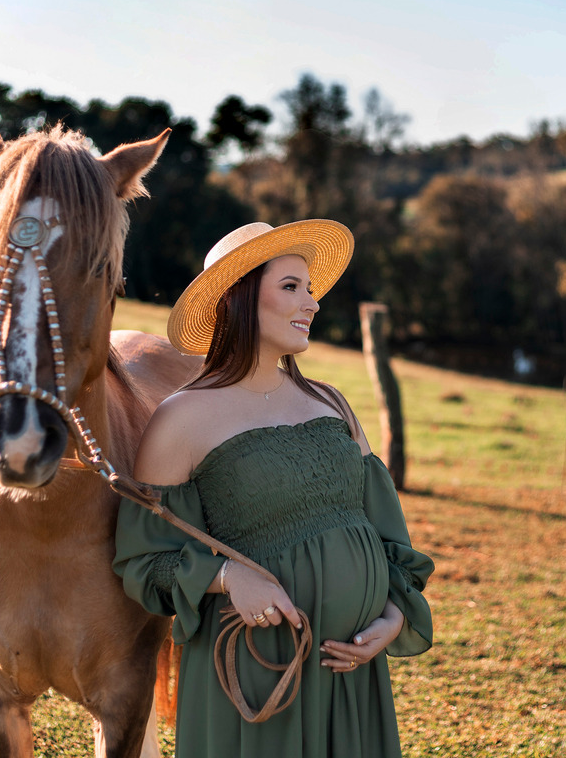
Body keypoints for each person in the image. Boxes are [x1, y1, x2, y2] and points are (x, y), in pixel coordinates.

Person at [114, 220, 434, 757]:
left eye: (310, 289)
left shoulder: (331, 404)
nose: (310, 302)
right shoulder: (180, 422)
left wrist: (394, 614)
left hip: (350, 676)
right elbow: (145, 564)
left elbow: (388, 538)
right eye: (291, 287)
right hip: (260, 675)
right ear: (238, 299)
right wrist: (227, 575)